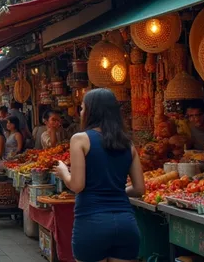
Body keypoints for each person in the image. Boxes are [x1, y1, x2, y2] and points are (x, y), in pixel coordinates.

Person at [54, 88, 145, 262]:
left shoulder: (80, 139)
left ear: (90, 111)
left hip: (91, 224)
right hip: (127, 224)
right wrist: (114, 191)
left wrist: (64, 172)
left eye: (82, 108)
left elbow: (77, 185)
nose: (81, 112)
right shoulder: (128, 144)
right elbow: (140, 189)